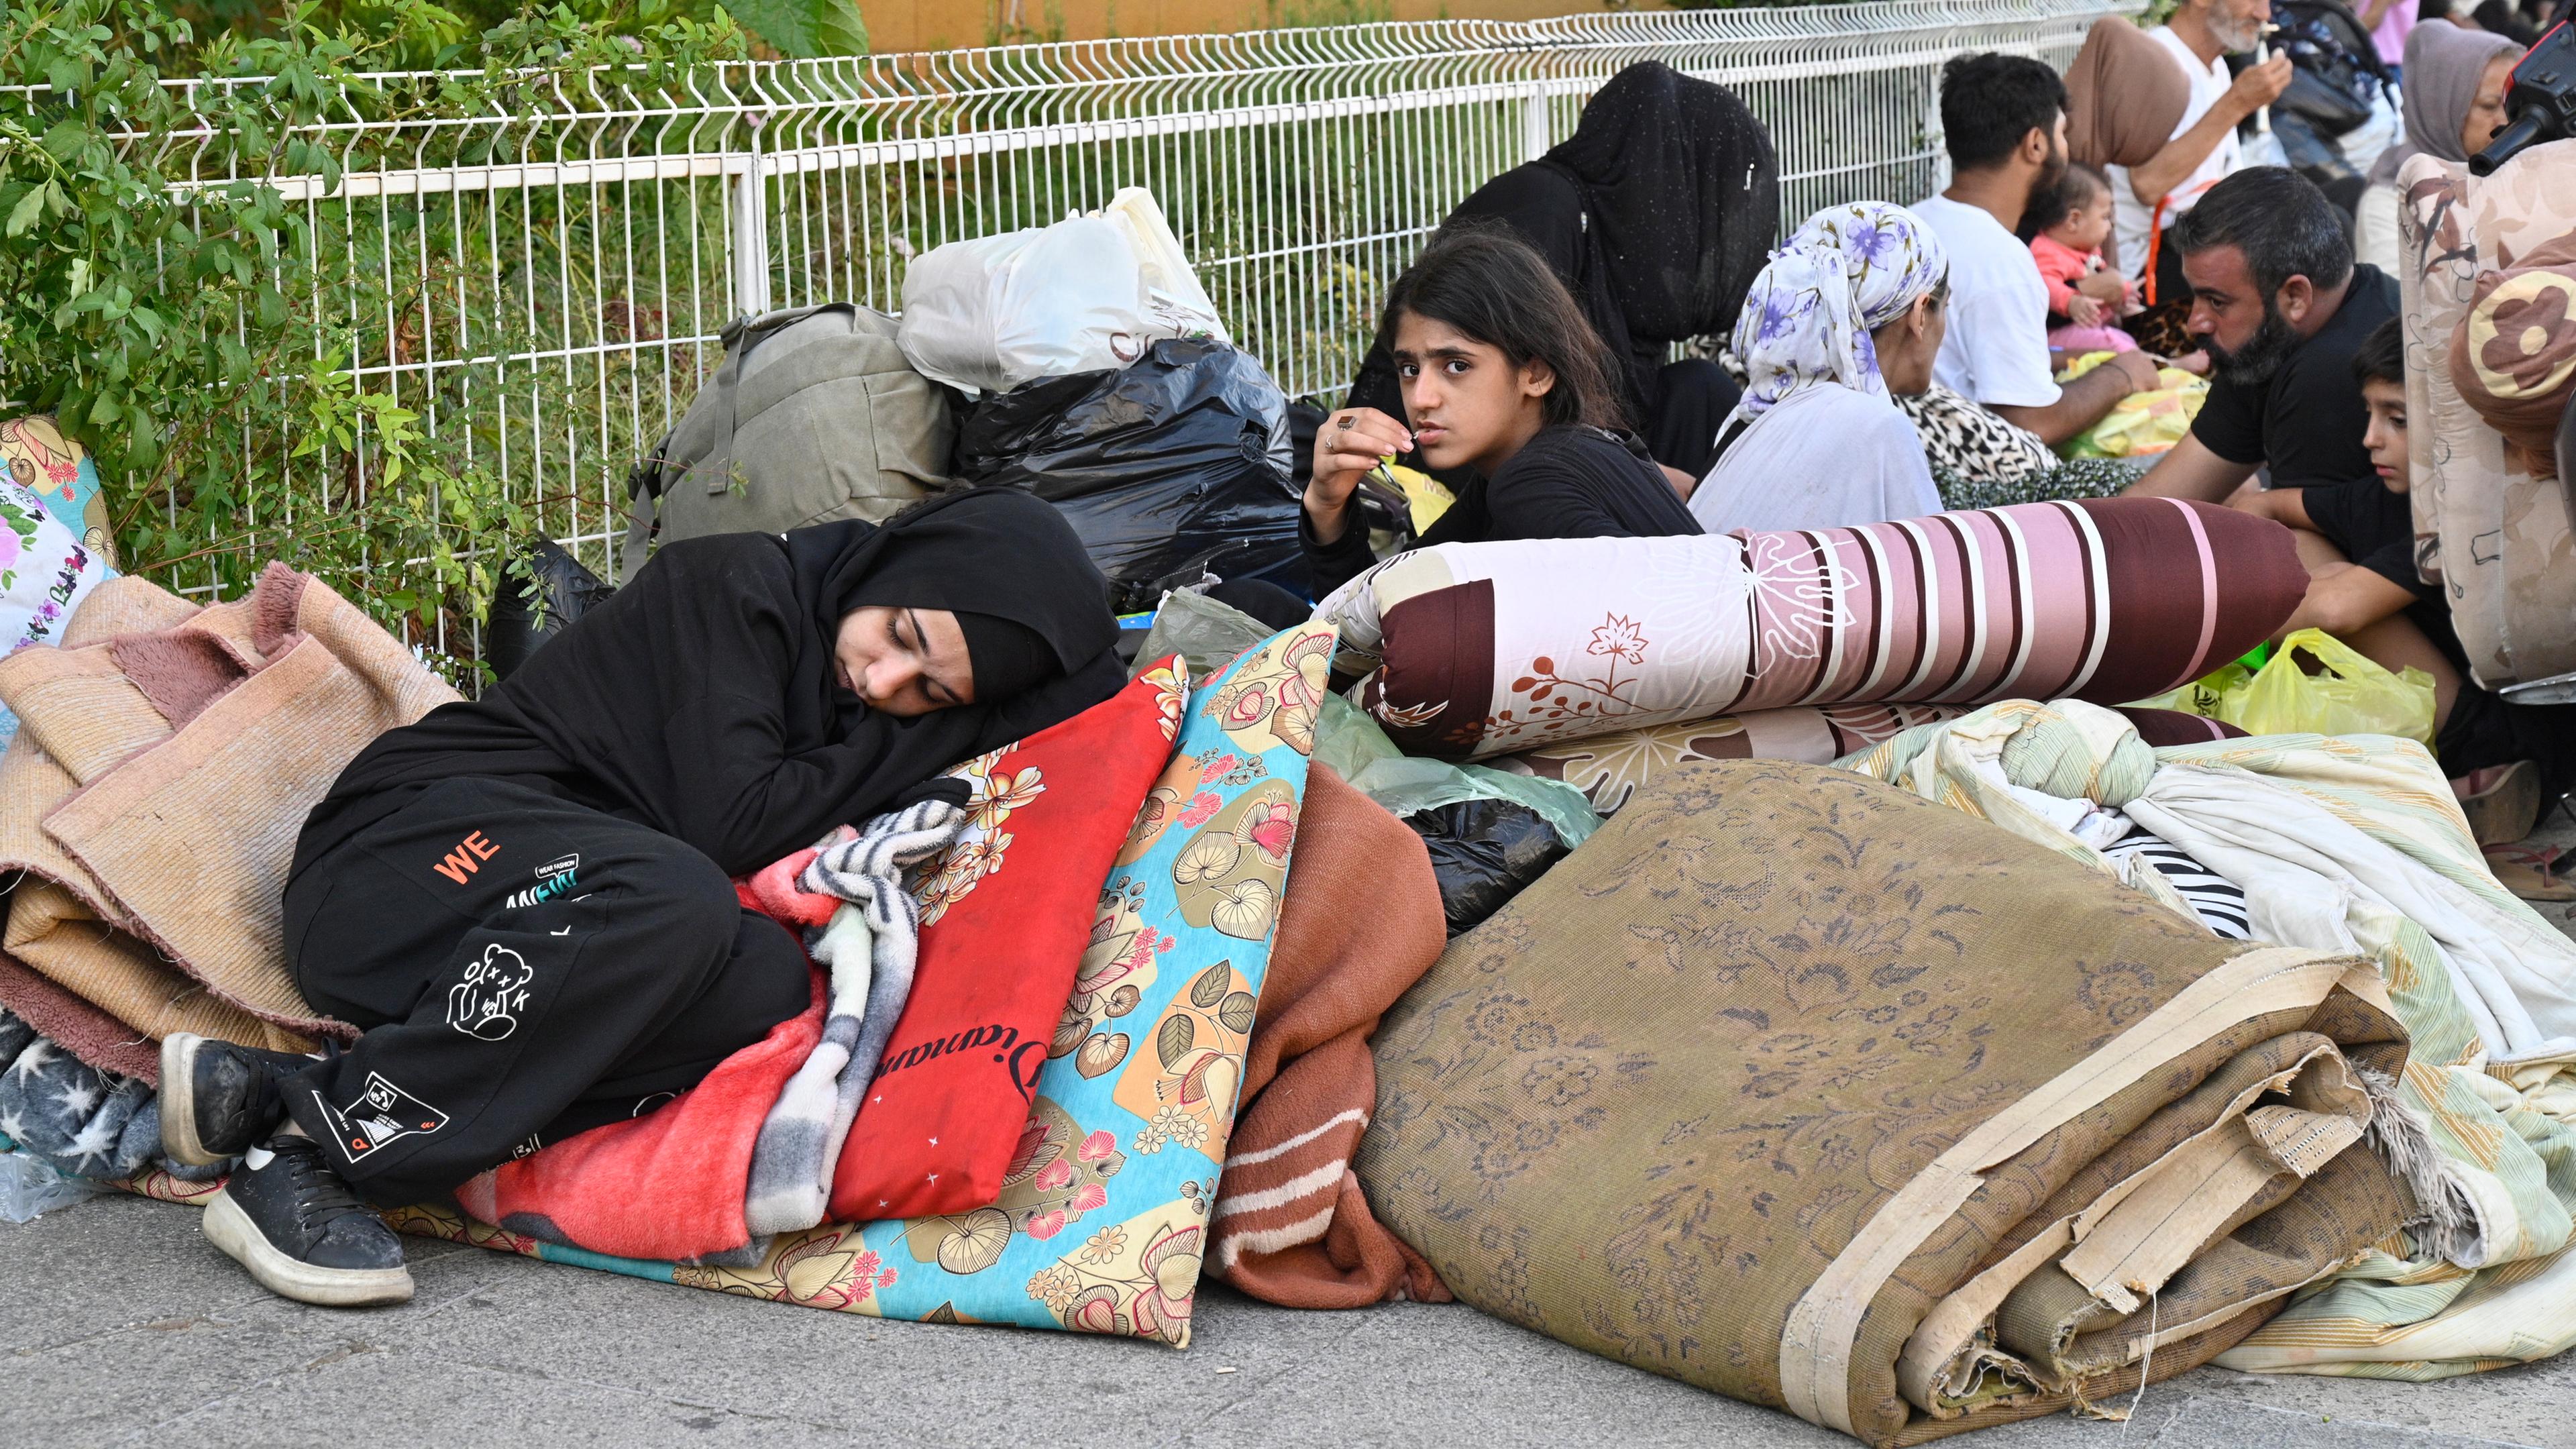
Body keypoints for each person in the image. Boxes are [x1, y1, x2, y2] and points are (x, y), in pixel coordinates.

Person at [158, 488, 1124, 1307]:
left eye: (931, 694)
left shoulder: (848, 683)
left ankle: (283, 1100)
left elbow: (1087, 696)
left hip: (537, 926)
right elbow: (737, 825)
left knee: (762, 987)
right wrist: (935, 734)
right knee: (684, 897)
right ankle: (315, 1156)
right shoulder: (738, 588)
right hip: (401, 863)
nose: (881, 681)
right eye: (901, 634)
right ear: (896, 564)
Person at [1340, 62, 1778, 482]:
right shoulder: (1539, 210)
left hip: (1576, 454)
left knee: (1701, 392)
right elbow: (1503, 410)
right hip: (1459, 470)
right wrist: (1645, 481)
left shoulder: (1620, 243)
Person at [2229, 318, 2575, 841]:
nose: (2370, 438)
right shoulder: (2381, 496)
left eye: (2397, 420)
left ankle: (2466, 781)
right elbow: (2270, 506)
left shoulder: (2472, 516)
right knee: (2301, 554)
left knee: (2336, 604)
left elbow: (2337, 611)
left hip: (2504, 736)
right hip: (2434, 695)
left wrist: (2210, 624)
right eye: (2369, 413)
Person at [1304, 226, 1701, 597]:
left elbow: (1666, 609)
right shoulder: (1519, 471)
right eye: (1410, 369)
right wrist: (1327, 503)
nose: (1421, 397)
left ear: (1536, 372)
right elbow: (1375, 615)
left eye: (1456, 365)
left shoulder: (1530, 481)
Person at [1912, 53, 2163, 448]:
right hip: (1959, 490)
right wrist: (2123, 374)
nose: (2067, 148)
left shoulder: (1908, 223)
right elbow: (2030, 427)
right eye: (2062, 134)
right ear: (2036, 144)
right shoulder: (2002, 262)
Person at [2129, 167, 2401, 500]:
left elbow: (2302, 545)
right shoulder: (2269, 337)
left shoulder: (2330, 372)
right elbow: (2159, 502)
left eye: (2216, 301)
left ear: (2296, 297)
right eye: (2197, 296)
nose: (2195, 322)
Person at [1690, 202, 1949, 533]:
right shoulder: (1876, 428)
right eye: (1947, 307)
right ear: (1921, 314)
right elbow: (1937, 570)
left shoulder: (1756, 416)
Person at [2096, 0, 2294, 353]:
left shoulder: (2215, 67)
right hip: (2149, 281)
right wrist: (2236, 103)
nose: (2264, 15)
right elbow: (2148, 184)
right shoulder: (2153, 59)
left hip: (2198, 247)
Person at [2355, 23, 2522, 276]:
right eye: (2489, 106)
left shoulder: (2528, 175)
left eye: (2514, 104)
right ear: (2440, 109)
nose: (2506, 121)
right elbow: (2391, 308)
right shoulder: (2392, 203)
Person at [2024, 165, 2143, 356]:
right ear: (2074, 220)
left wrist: (2125, 293)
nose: (2110, 225)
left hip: (2084, 329)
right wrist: (2070, 302)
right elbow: (2044, 285)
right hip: (2055, 335)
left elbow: (2101, 278)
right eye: (2105, 217)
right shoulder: (2045, 250)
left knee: (2124, 341)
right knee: (2116, 346)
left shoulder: (2083, 250)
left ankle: (2157, 367)